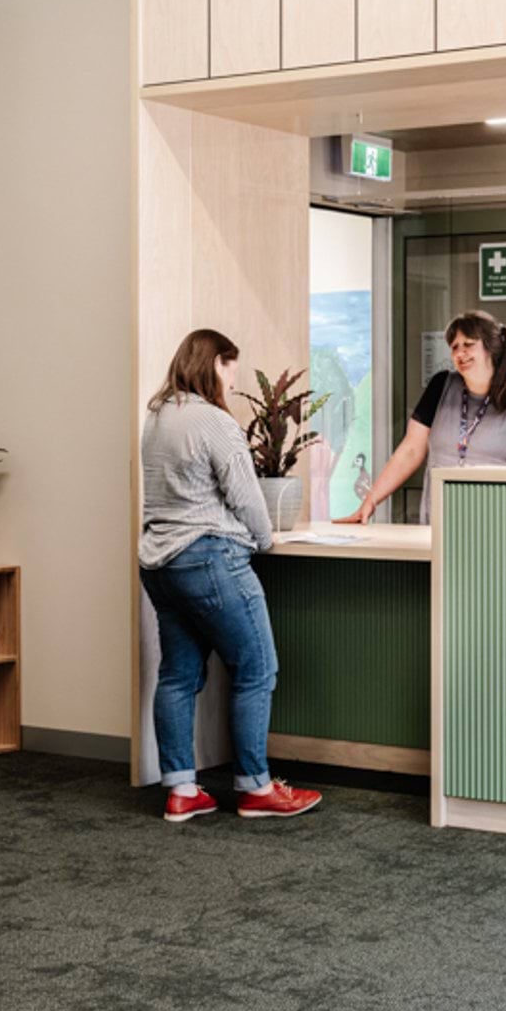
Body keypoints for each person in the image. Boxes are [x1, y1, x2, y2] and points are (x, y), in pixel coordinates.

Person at [140, 327, 321, 827]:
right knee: (256, 668)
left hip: (160, 562)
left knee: (177, 674)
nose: (233, 377)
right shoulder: (214, 421)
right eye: (230, 367)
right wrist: (267, 541)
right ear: (212, 365)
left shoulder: (157, 418)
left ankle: (181, 790)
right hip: (210, 558)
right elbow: (246, 497)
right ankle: (255, 787)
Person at [341, 310, 506, 527]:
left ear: (491, 348)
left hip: (496, 523)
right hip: (439, 521)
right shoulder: (441, 385)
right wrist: (371, 500)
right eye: (454, 347)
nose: (460, 353)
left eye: (468, 345)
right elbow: (411, 450)